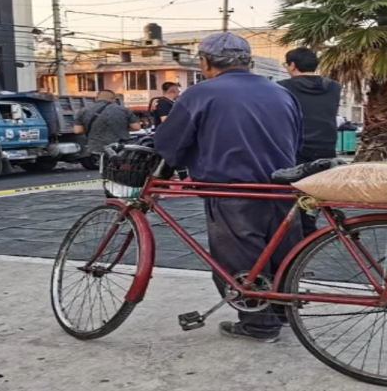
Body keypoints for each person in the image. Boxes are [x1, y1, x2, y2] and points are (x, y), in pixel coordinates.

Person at [154, 32, 303, 343]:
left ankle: (258, 326)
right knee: (282, 254)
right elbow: (296, 140)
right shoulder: (281, 93)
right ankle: (283, 312)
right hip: (283, 187)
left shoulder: (200, 94)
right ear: (248, 61)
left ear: (205, 62)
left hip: (234, 190)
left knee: (239, 262)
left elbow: (170, 144)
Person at [278, 47, 342, 236]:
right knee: (312, 199)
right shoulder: (334, 87)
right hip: (326, 148)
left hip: (296, 149)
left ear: (292, 65)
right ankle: (308, 233)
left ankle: (296, 241)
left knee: (288, 198)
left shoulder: (283, 87)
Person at [74, 89, 141, 155]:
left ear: (97, 98)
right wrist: (122, 127)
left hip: (95, 147)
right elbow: (136, 127)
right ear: (113, 99)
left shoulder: (83, 110)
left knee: (101, 163)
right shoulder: (123, 110)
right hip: (119, 146)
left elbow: (77, 131)